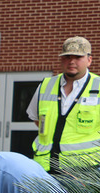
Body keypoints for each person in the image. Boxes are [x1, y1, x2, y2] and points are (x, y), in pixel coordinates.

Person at [27, 37, 100, 172]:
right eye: (67, 57)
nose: (71, 61)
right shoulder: (45, 85)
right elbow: (37, 120)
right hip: (45, 169)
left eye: (78, 57)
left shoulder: (98, 86)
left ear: (89, 60)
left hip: (86, 171)